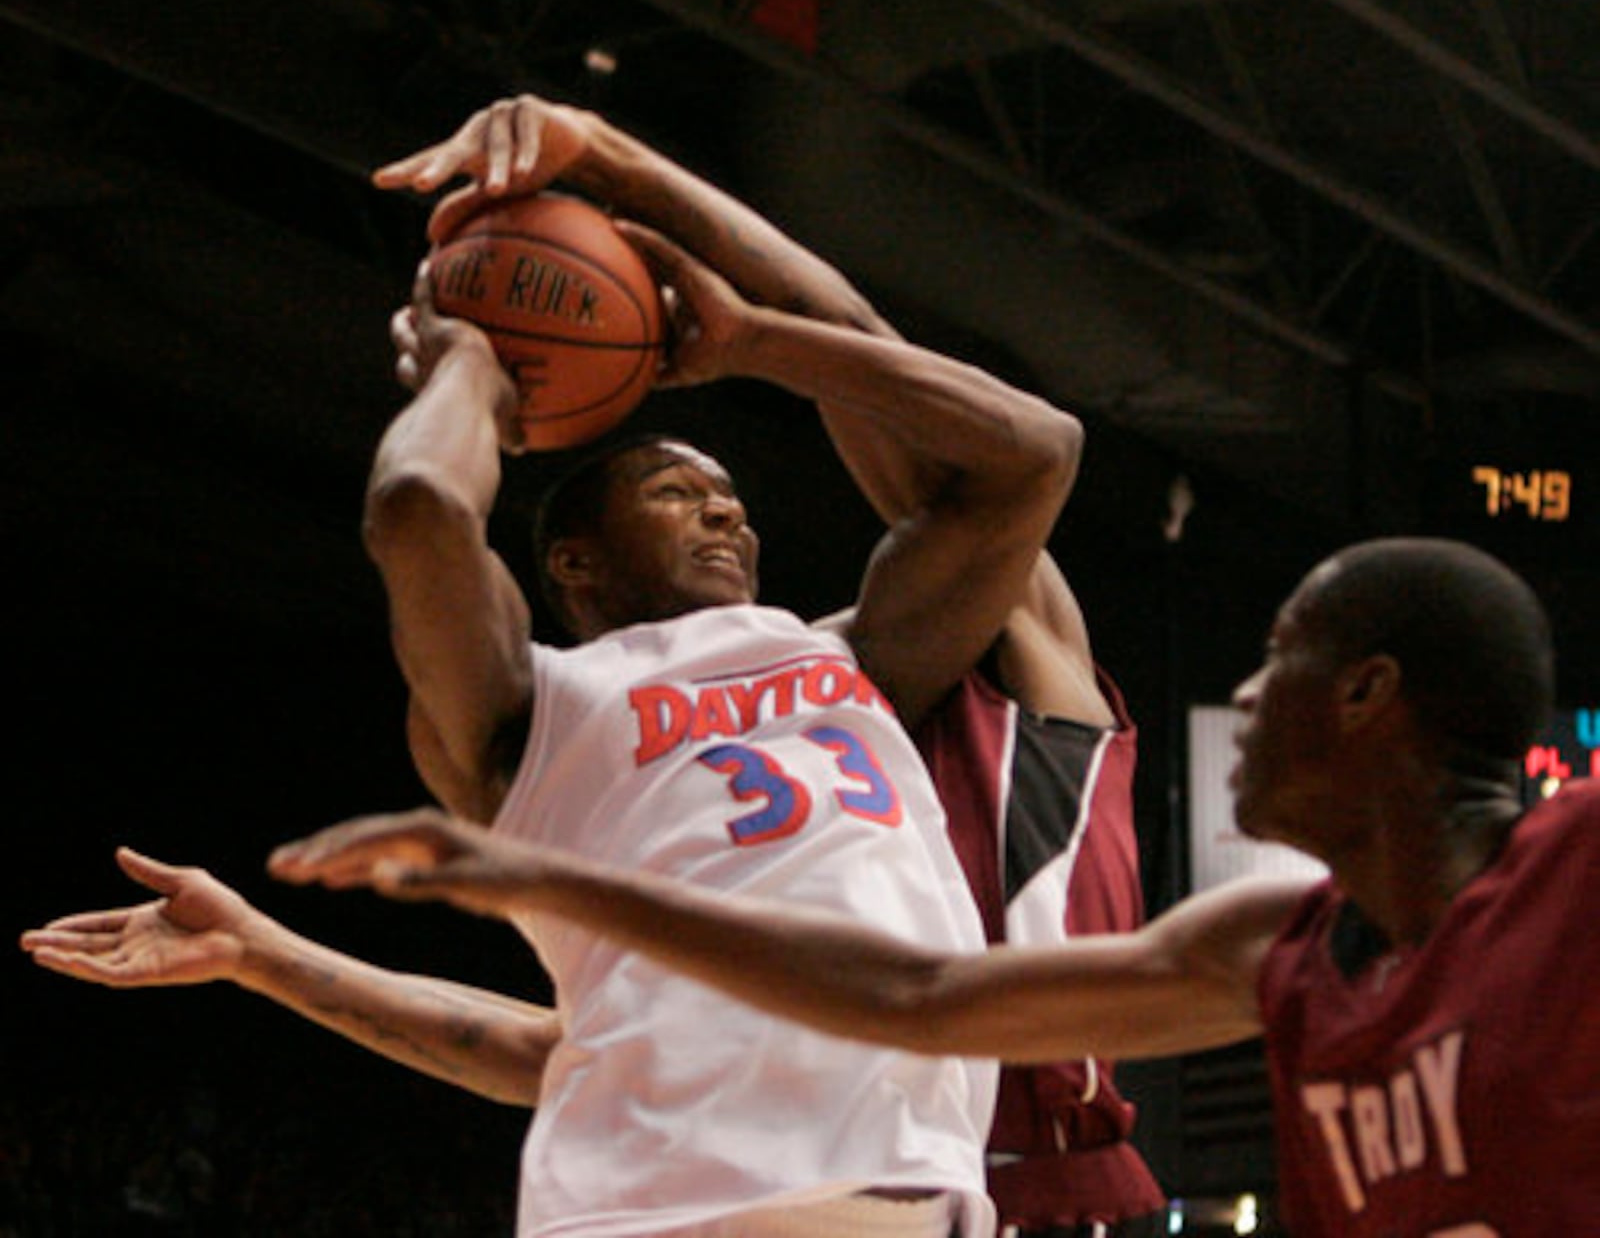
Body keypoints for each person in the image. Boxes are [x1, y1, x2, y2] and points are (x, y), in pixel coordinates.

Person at [26, 95, 1157, 1234]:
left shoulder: (861, 660)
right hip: (781, 1178)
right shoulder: (544, 705)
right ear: (572, 558)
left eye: (733, 500)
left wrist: (716, 291)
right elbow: (418, 508)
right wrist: (471, 373)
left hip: (976, 1169)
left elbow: (1002, 437)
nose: (724, 517)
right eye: (679, 494)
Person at [265, 537, 1600, 1238]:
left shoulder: (1049, 736)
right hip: (940, 1174)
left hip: (1035, 1179)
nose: (1247, 693)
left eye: (1280, 659)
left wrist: (753, 310)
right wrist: (533, 877)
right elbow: (912, 994)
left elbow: (1008, 471)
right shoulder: (1279, 942)